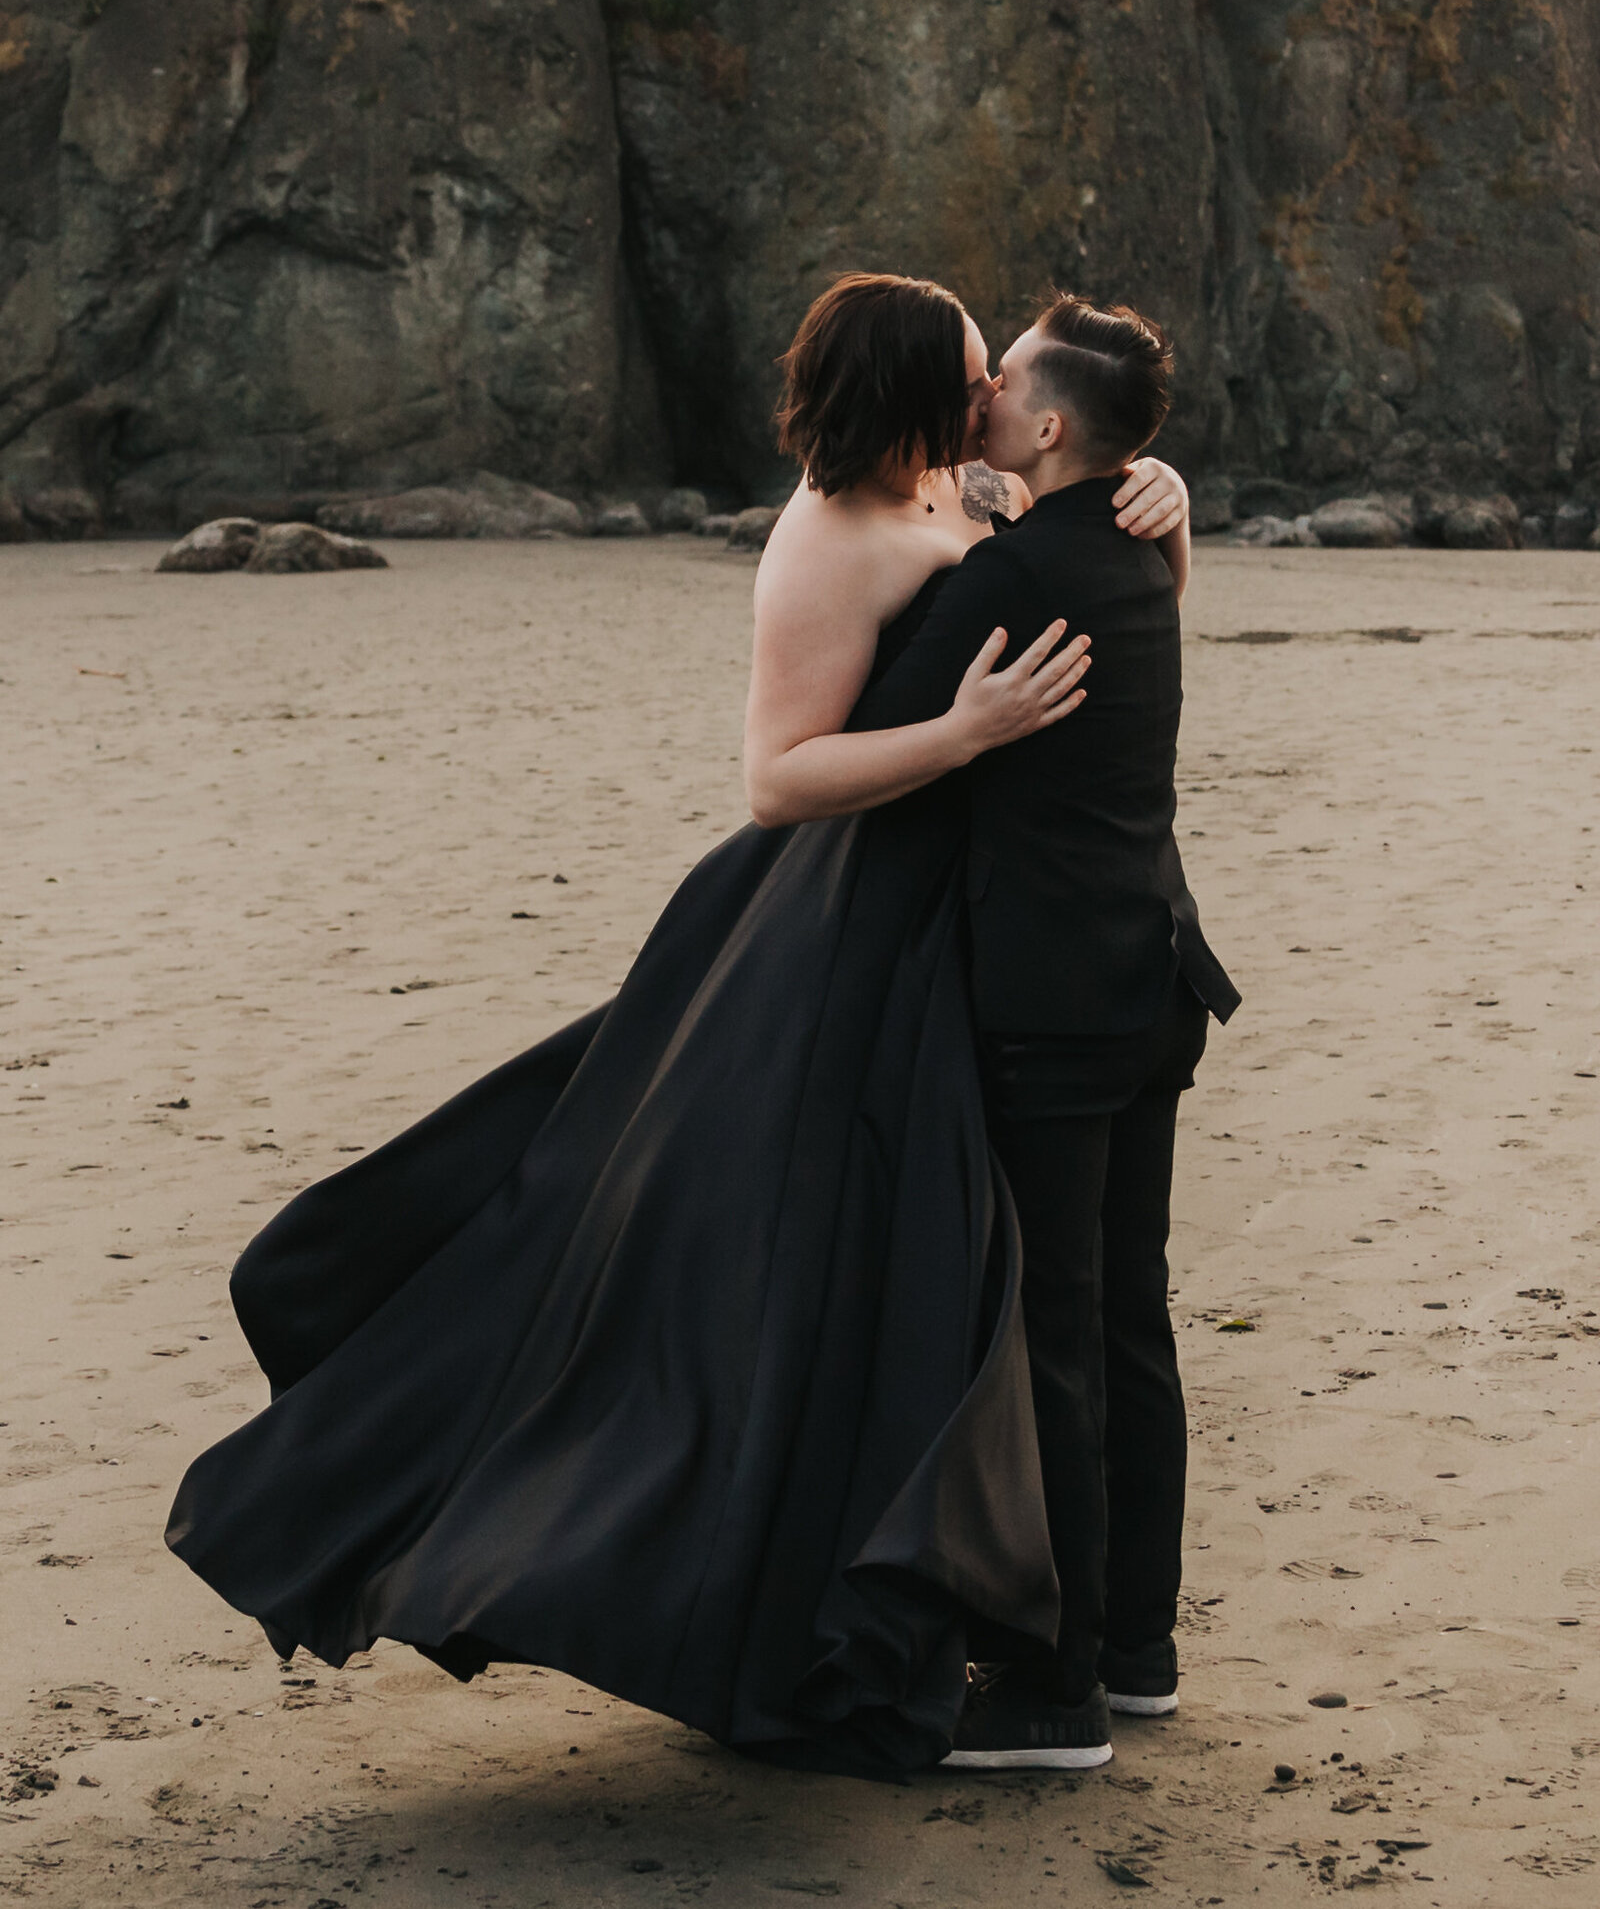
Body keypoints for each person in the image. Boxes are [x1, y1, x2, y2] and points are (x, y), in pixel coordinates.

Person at [166, 271, 1185, 1778]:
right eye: (964, 373)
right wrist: (962, 731)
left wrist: (1160, 485)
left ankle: (1033, 1632)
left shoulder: (971, 497)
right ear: (914, 392)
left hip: (957, 948)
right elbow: (777, 777)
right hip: (833, 927)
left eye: (995, 377)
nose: (982, 398)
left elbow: (1077, 504)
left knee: (948, 1302)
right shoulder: (827, 535)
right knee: (715, 1269)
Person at [819, 293, 1239, 1773]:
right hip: (1157, 976)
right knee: (1132, 1315)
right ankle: (1137, 1650)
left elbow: (858, 731)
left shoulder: (1003, 581)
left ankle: (1055, 1689)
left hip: (1054, 1010)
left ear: (1051, 428)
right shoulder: (1133, 556)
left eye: (1008, 386)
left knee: (1053, 1329)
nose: (983, 395)